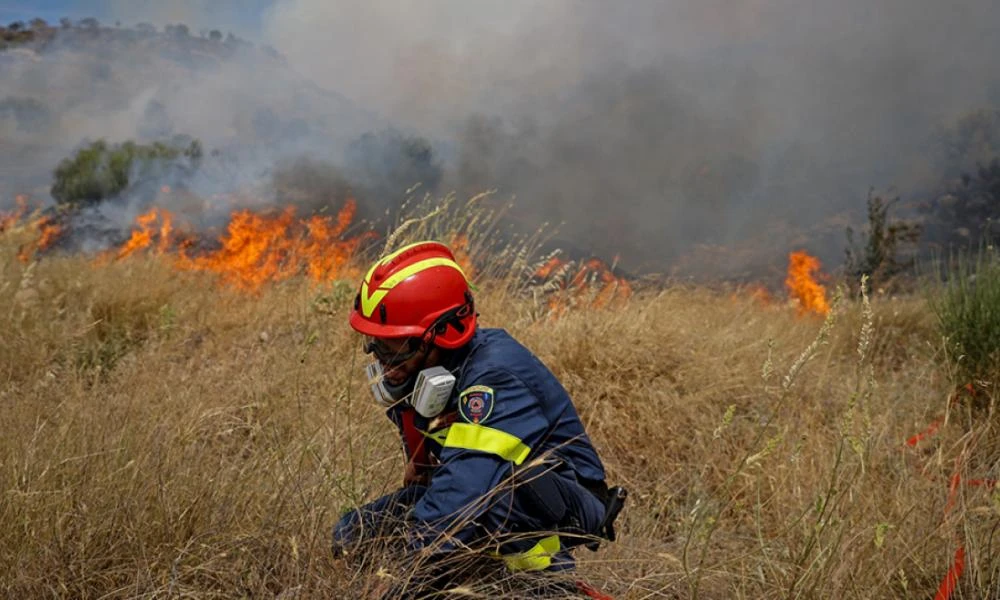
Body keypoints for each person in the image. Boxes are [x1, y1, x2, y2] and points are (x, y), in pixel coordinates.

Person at [332, 240, 625, 592]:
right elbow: (433, 479)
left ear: (441, 335)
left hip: (557, 500)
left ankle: (548, 588)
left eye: (394, 347)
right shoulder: (426, 375)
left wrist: (404, 582)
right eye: (375, 344)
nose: (381, 361)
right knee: (353, 533)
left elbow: (461, 493)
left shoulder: (493, 377)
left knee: (497, 502)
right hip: (487, 487)